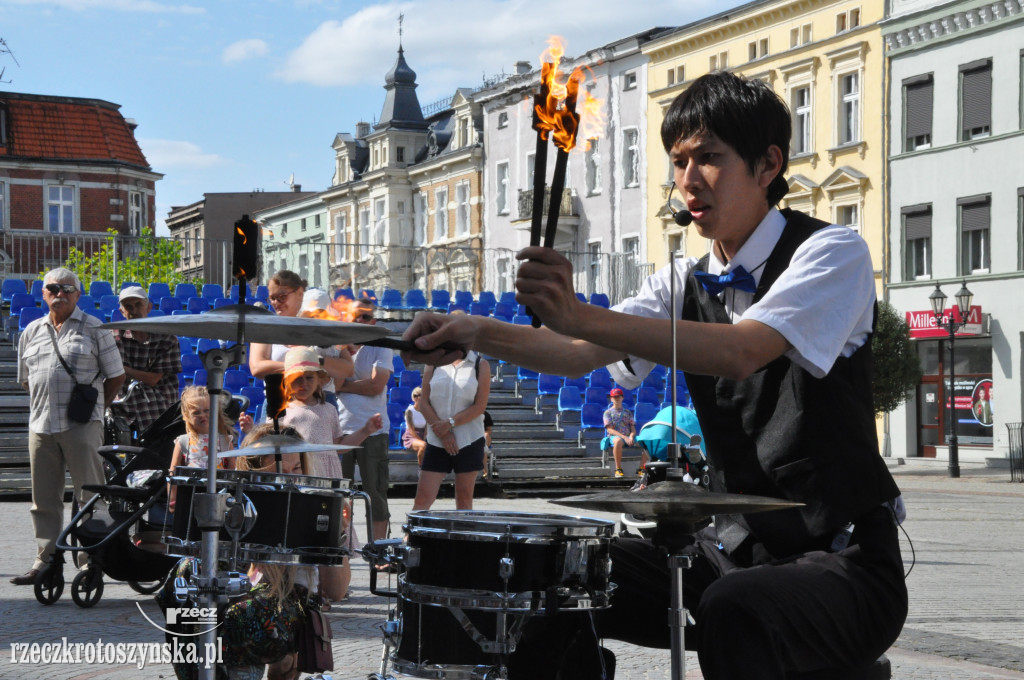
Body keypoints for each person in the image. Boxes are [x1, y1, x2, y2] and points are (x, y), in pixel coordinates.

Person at [401, 71, 906, 679]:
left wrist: (578, 311)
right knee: (554, 576)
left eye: (710, 159)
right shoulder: (682, 282)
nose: (689, 180)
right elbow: (575, 352)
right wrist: (470, 331)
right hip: (733, 556)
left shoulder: (832, 252)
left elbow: (744, 349)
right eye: (678, 160)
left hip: (846, 562)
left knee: (734, 609)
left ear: (769, 165)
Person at [12, 268, 125, 585]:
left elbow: (116, 377)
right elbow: (26, 381)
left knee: (91, 495)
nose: (59, 293)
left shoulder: (95, 328)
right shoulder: (31, 331)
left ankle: (91, 561)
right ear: (43, 293)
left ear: (77, 295)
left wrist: (96, 409)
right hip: (41, 426)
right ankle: (45, 560)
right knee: (43, 500)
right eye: (53, 288)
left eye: (67, 288)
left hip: (82, 425)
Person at [279, 345, 382, 600]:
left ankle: (328, 588)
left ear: (319, 381)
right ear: (287, 383)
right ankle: (303, 587)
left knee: (329, 532)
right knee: (302, 533)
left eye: (309, 377)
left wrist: (366, 430)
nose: (303, 383)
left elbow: (340, 447)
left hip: (328, 480)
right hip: (301, 479)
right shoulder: (283, 413)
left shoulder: (329, 410)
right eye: (296, 379)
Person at [335, 295, 393, 541]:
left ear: (373, 320)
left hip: (374, 430)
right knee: (340, 495)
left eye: (365, 316)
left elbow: (376, 386)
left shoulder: (381, 344)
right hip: (341, 428)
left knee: (376, 493)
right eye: (355, 315)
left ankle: (378, 549)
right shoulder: (336, 344)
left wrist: (343, 386)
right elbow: (365, 383)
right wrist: (345, 384)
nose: (359, 320)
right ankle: (343, 547)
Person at [248, 271, 352, 401]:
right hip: (282, 399)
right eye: (272, 298)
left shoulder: (329, 332)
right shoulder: (265, 328)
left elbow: (347, 369)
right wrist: (304, 363)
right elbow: (257, 367)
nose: (276, 303)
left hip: (322, 399)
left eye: (282, 297)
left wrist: (315, 361)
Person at [411, 350, 490, 512]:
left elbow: (479, 406)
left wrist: (450, 423)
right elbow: (424, 403)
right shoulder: (432, 364)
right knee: (422, 500)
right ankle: (410, 537)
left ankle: (462, 537)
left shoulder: (480, 365)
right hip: (437, 440)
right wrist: (444, 433)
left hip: (469, 439)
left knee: (464, 500)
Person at [109, 285, 182, 432]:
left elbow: (153, 379)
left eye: (138, 304)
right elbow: (116, 375)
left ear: (148, 307)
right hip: (123, 397)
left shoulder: (167, 338)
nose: (134, 310)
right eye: (128, 306)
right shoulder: (112, 336)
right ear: (121, 311)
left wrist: (125, 370)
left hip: (159, 398)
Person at [167, 385, 237, 511]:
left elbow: (232, 472)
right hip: (190, 496)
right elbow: (173, 474)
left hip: (218, 496)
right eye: (196, 412)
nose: (202, 415)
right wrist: (172, 500)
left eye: (206, 410)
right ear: (187, 416)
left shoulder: (225, 440)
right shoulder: (183, 441)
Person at [602, 387, 636, 478]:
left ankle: (642, 468)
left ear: (622, 397)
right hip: (614, 437)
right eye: (614, 397)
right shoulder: (607, 413)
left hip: (628, 437)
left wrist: (631, 437)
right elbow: (609, 430)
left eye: (619, 396)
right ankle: (618, 469)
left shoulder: (628, 412)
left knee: (645, 441)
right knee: (617, 441)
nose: (617, 398)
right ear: (611, 398)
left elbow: (632, 428)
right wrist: (625, 437)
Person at [403, 386, 428, 467]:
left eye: (420, 395)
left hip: (423, 434)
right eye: (415, 395)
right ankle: (421, 467)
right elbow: (411, 430)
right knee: (424, 445)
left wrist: (424, 438)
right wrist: (421, 440)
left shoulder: (426, 411)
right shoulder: (409, 411)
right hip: (411, 436)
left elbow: (426, 428)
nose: (418, 397)